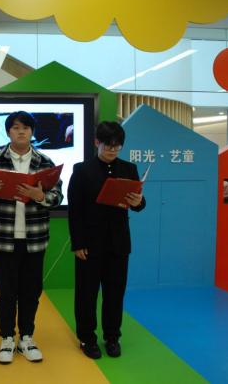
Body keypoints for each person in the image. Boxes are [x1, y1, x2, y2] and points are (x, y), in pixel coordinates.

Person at [0, 111, 63, 364]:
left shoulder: (45, 162)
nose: (21, 131)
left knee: (31, 292)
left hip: (34, 238)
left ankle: (27, 337)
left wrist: (40, 196)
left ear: (32, 132)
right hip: (3, 238)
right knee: (7, 291)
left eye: (25, 127)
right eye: (15, 127)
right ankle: (6, 338)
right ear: (8, 132)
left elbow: (58, 197)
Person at [67, 121, 145, 359]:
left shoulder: (129, 169)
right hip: (89, 243)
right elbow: (75, 210)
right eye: (108, 145)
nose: (112, 150)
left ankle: (112, 337)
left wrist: (138, 202)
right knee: (86, 294)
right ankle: (87, 338)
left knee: (115, 293)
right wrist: (78, 243)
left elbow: (139, 203)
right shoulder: (82, 170)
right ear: (96, 143)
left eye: (117, 146)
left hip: (118, 243)